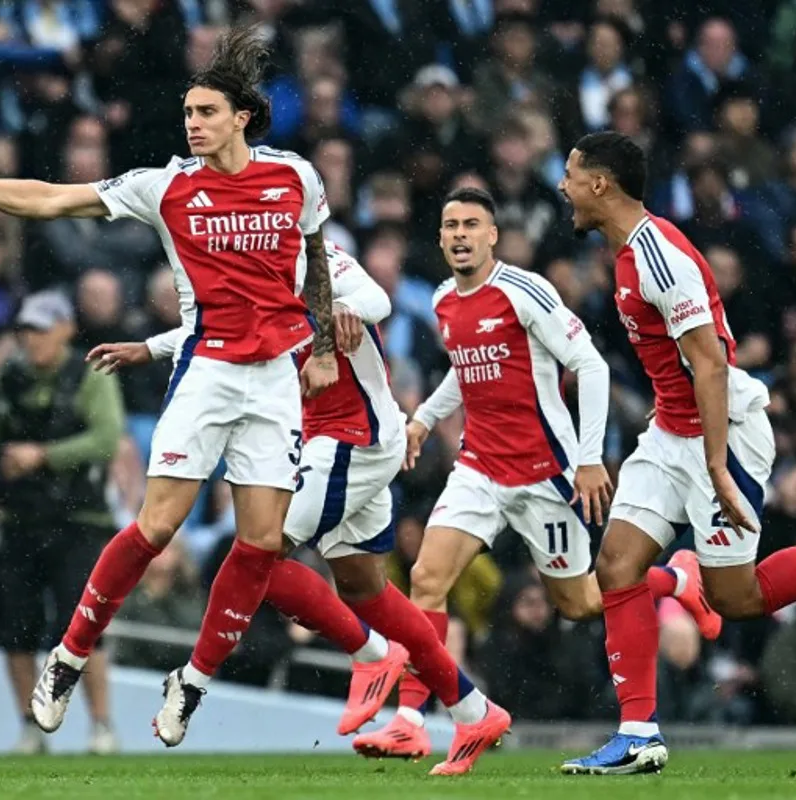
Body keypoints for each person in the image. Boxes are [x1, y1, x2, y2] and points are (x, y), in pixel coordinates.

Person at [0, 27, 341, 747]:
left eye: (205, 114)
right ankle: (68, 658)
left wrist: (319, 344)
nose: (191, 125)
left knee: (261, 546)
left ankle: (190, 682)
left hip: (276, 382)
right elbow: (49, 199)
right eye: (187, 114)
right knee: (156, 526)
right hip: (209, 372)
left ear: (241, 118)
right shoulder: (164, 187)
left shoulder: (296, 177)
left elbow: (316, 257)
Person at [555, 131, 796, 775]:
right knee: (617, 564)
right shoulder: (625, 253)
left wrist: (716, 464)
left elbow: (711, 364)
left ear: (600, 184)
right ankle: (637, 733)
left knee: (737, 598)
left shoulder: (658, 255)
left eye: (571, 174)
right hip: (670, 432)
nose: (564, 186)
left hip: (725, 432)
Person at [96, 240, 511, 775]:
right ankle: (474, 710)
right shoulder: (247, 267)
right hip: (327, 440)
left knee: (255, 553)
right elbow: (219, 333)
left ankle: (343, 656)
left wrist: (342, 311)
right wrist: (150, 348)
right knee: (366, 590)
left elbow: (375, 300)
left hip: (352, 440)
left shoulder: (317, 257)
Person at [354, 187, 721, 759]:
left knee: (580, 603)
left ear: (492, 235)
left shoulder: (524, 292)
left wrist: (591, 457)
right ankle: (409, 720)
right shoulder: (446, 300)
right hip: (477, 469)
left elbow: (590, 365)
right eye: (450, 225)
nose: (459, 234)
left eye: (471, 224)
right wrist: (425, 419)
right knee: (426, 577)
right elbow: (465, 371)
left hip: (545, 477)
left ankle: (674, 580)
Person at [0, 291, 123, 755]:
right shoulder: (10, 377)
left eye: (40, 329)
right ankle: (29, 727)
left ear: (65, 329)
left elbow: (106, 438)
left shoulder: (90, 373)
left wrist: (41, 456)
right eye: (25, 331)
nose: (31, 339)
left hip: (79, 519)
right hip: (21, 517)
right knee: (12, 625)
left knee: (80, 626)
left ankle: (101, 726)